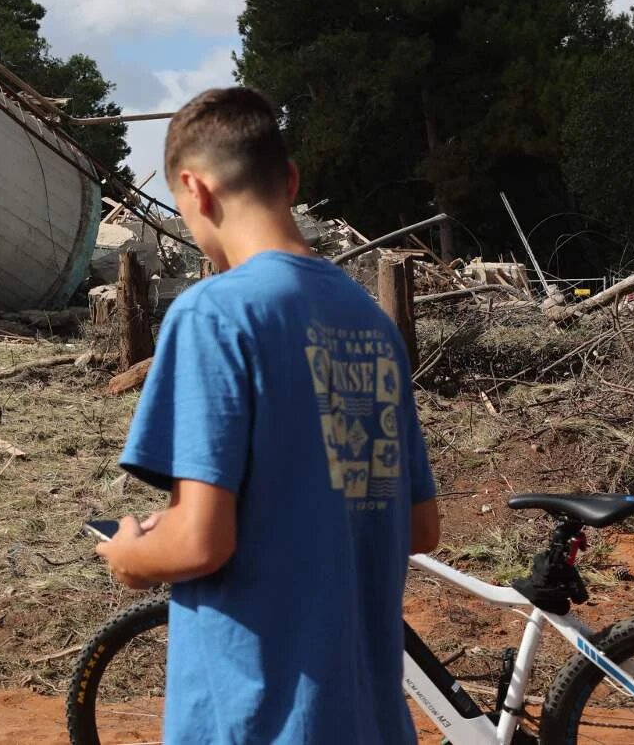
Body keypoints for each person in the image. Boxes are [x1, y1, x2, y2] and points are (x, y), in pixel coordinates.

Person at [95, 87, 441, 743]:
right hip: (369, 721)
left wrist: (133, 557)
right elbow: (419, 526)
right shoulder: (370, 323)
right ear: (289, 179)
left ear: (195, 191)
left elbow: (202, 541)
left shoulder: (214, 315)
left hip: (259, 720)